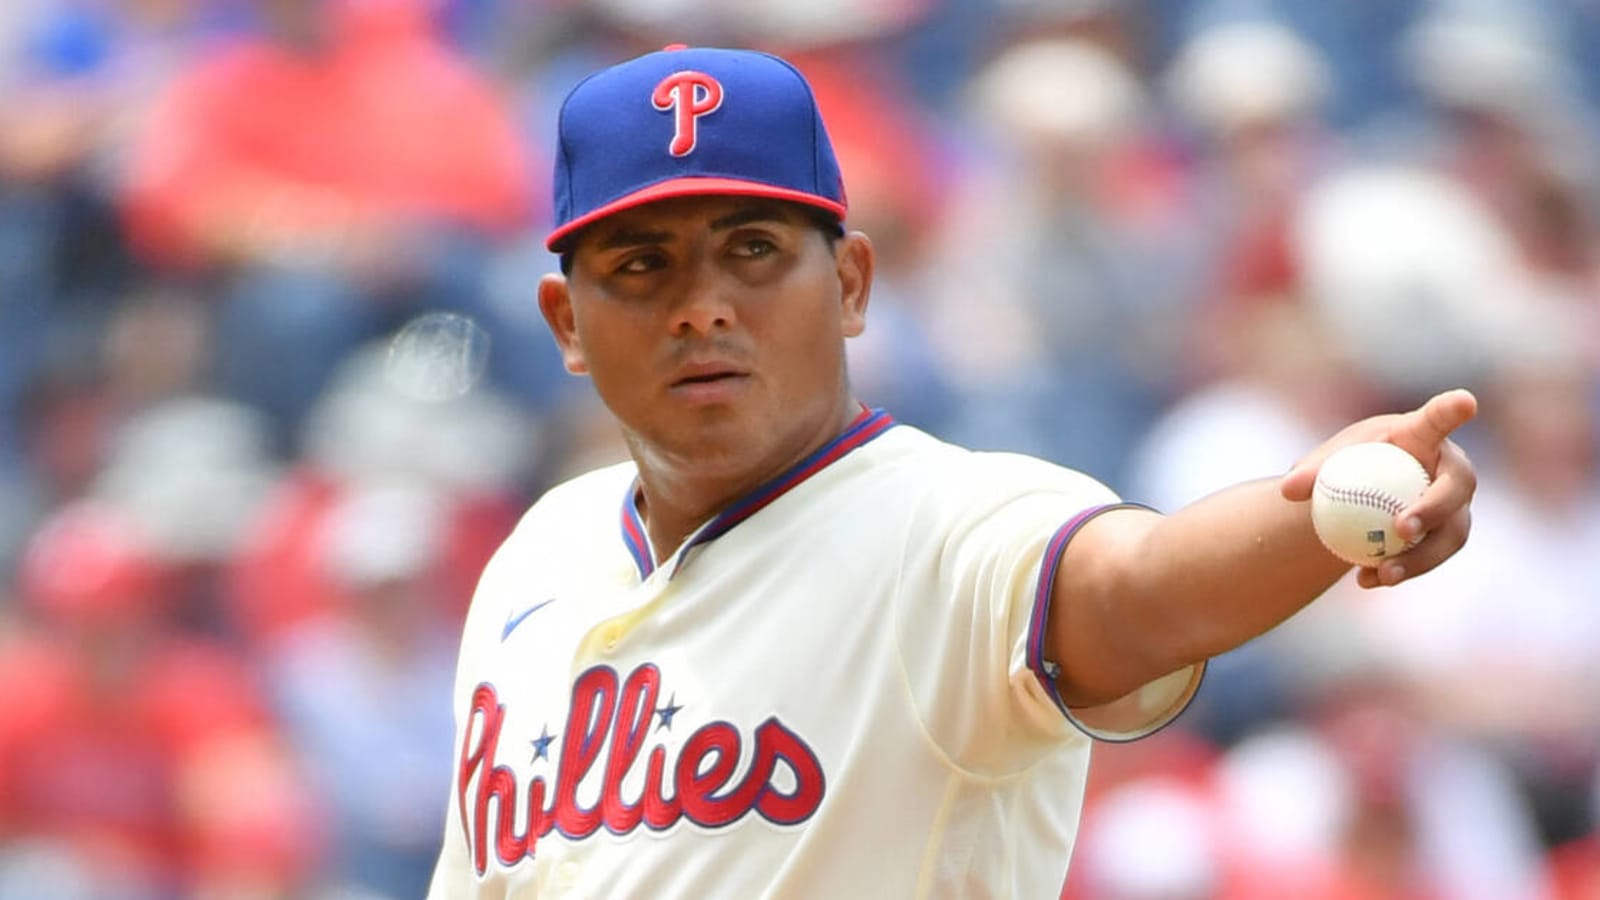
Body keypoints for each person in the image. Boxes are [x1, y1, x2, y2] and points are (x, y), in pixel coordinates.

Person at [427, 45, 1478, 898]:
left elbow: (1144, 585)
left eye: (750, 250)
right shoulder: (540, 553)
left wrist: (1310, 518)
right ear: (567, 323)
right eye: (640, 264)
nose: (701, 304)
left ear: (847, 283)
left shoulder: (956, 526)